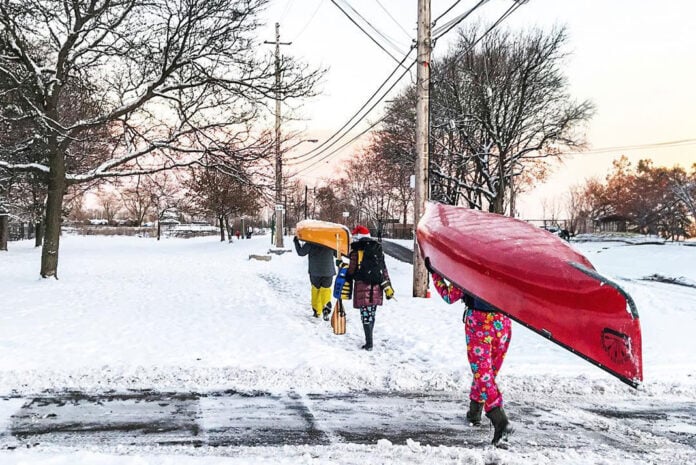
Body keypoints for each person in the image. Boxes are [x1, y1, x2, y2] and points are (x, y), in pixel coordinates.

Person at [429, 266, 513, 447]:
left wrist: (435, 272)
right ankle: (474, 413)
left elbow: (449, 296)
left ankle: (500, 420)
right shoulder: (506, 266)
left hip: (479, 324)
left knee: (483, 375)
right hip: (503, 323)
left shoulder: (470, 268)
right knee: (486, 374)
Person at [346, 225, 394, 351]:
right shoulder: (378, 249)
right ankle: (369, 340)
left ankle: (369, 343)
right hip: (377, 286)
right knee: (371, 314)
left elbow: (351, 270)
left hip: (363, 285)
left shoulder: (356, 250)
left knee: (365, 315)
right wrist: (388, 285)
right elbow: (383, 269)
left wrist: (347, 275)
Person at [293, 236, 336, 320]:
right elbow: (337, 253)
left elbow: (301, 253)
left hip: (315, 272)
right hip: (328, 271)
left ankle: (317, 311)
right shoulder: (330, 242)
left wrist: (296, 242)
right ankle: (326, 308)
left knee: (315, 290)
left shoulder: (311, 242)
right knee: (326, 290)